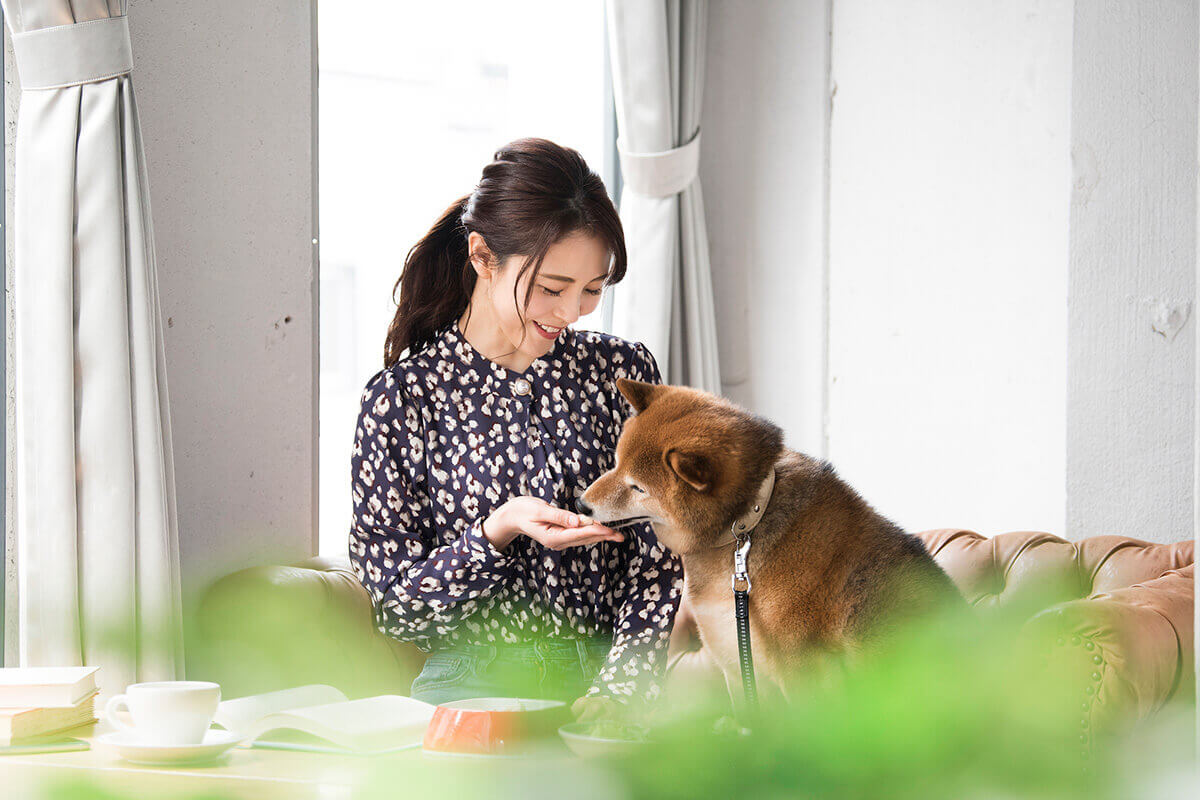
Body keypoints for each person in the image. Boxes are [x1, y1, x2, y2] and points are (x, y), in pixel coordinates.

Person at [348, 138, 683, 720]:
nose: (572, 312)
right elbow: (397, 610)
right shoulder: (403, 400)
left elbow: (661, 565)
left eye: (592, 290)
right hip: (469, 689)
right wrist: (495, 533)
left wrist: (621, 692)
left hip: (608, 684)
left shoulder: (623, 375)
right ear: (482, 256)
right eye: (552, 288)